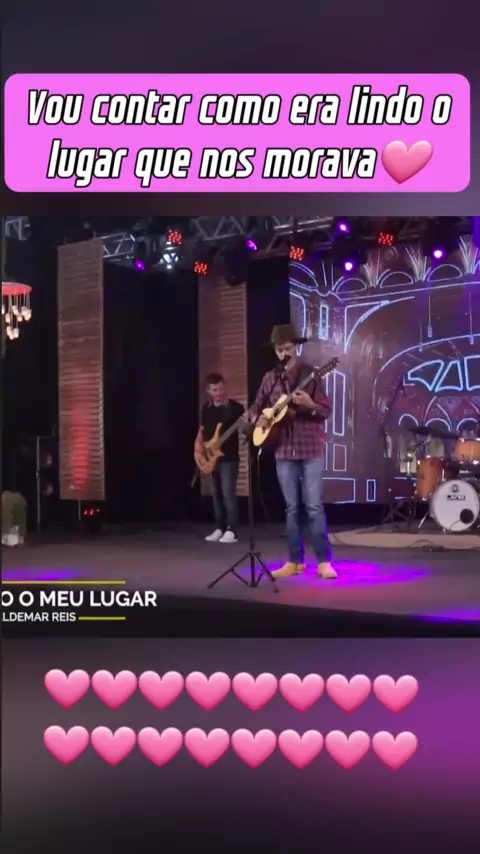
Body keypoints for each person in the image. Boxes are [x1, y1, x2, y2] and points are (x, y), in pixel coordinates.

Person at [249, 324, 337, 579]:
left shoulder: (312, 374)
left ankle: (324, 562)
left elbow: (326, 410)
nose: (283, 354)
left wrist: (310, 404)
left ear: (296, 347)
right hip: (284, 449)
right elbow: (255, 407)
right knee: (291, 508)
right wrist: (258, 419)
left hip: (310, 448)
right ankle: (295, 561)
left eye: (287, 348)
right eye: (279, 350)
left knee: (314, 507)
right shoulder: (270, 378)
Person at [195, 372, 244, 543]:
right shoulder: (206, 408)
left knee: (228, 494)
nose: (219, 393)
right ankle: (219, 527)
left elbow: (245, 427)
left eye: (221, 388)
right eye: (215, 390)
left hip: (229, 457)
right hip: (211, 455)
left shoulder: (235, 408)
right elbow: (202, 431)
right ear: (208, 391)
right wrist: (198, 449)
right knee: (216, 494)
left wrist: (248, 423)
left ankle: (232, 530)